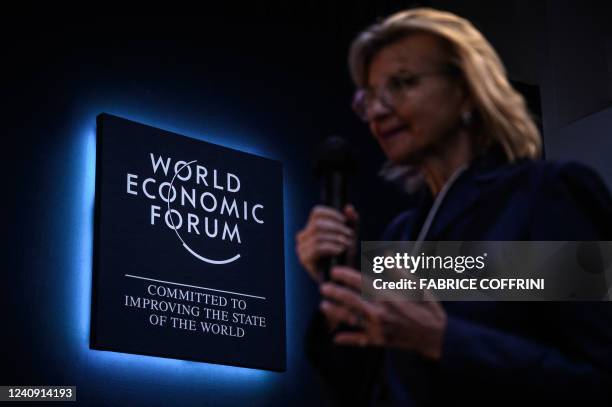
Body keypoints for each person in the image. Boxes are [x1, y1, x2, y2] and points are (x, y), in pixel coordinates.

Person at [295, 8, 612, 406]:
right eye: (370, 96)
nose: (378, 110)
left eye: (402, 83)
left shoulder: (545, 196)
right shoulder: (401, 238)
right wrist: (337, 279)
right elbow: (364, 386)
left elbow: (598, 378)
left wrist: (442, 339)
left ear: (466, 89)